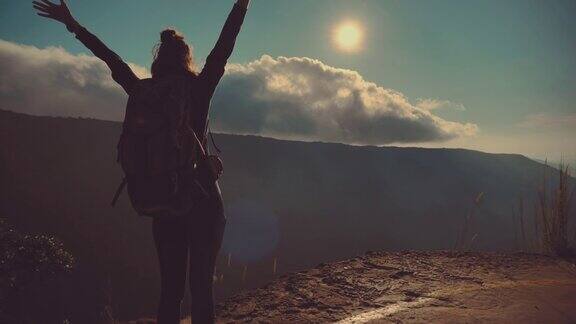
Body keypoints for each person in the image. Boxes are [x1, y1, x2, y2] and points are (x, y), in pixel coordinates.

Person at [32, 0, 250, 323]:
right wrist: (242, 4)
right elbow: (223, 47)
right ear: (185, 59)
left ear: (157, 61)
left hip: (163, 199)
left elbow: (113, 62)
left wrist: (73, 25)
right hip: (202, 198)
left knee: (170, 293)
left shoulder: (142, 91)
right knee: (201, 289)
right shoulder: (199, 88)